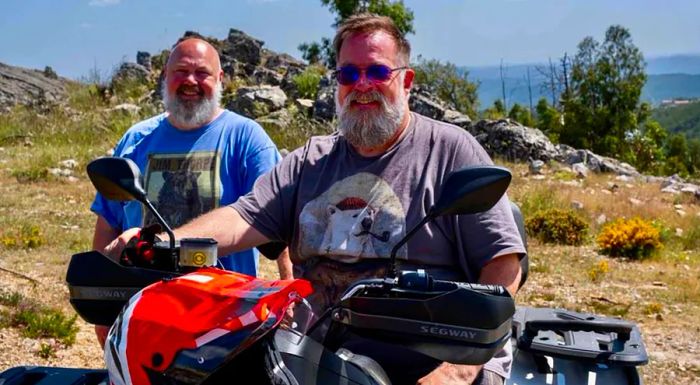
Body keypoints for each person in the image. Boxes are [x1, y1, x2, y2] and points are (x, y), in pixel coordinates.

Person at [106, 15, 525, 385]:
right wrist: (166, 240)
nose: (361, 86)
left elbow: (503, 263)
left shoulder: (449, 151)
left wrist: (460, 370)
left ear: (406, 81)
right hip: (310, 359)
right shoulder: (310, 160)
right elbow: (242, 217)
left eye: (377, 72)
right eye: (348, 75)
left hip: (426, 358)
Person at [91, 37, 293, 345]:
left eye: (202, 73)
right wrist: (100, 303)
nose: (190, 81)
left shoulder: (246, 138)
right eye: (181, 72)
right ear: (165, 76)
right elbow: (108, 223)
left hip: (225, 319)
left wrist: (289, 288)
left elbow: (280, 217)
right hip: (141, 314)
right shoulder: (136, 139)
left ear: (221, 79)